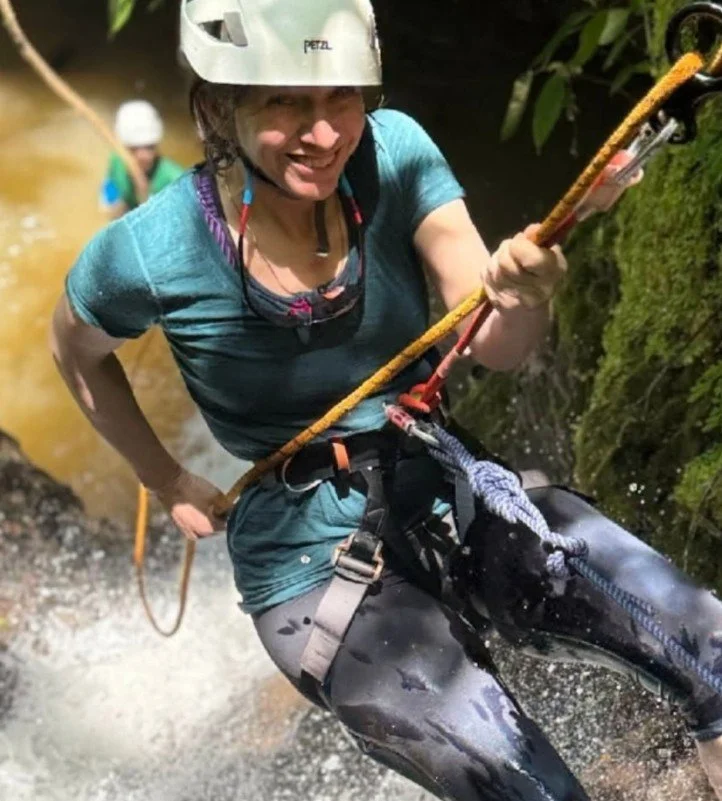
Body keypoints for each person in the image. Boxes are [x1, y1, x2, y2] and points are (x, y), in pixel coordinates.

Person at [50, 1, 722, 798]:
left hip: (443, 488)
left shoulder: (395, 153)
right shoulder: (148, 252)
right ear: (216, 106)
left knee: (709, 651)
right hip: (308, 564)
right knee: (526, 787)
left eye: (341, 97)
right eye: (285, 103)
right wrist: (163, 477)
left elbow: (498, 347)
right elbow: (75, 349)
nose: (326, 133)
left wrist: (529, 294)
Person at [99, 99, 185, 219]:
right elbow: (109, 205)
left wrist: (145, 196)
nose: (144, 156)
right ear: (122, 147)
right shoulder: (116, 162)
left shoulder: (176, 181)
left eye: (150, 147)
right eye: (134, 149)